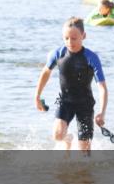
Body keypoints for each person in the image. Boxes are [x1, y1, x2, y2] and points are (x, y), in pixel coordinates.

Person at [34, 17, 109, 155]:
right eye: (66, 38)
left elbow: (102, 87)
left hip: (85, 104)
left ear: (83, 36)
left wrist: (102, 112)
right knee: (57, 135)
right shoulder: (58, 53)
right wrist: (37, 96)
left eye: (74, 38)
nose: (70, 42)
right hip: (65, 101)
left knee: (84, 152)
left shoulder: (91, 57)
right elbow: (45, 72)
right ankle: (68, 139)